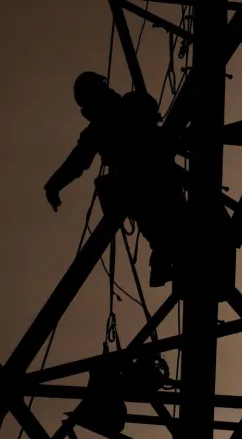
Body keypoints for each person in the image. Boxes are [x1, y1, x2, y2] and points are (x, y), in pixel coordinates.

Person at [44, 71, 186, 287]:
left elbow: (78, 161)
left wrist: (54, 185)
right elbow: (77, 162)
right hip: (146, 183)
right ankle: (166, 258)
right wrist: (54, 185)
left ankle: (166, 258)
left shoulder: (120, 113)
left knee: (168, 222)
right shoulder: (104, 124)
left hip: (151, 179)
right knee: (164, 221)